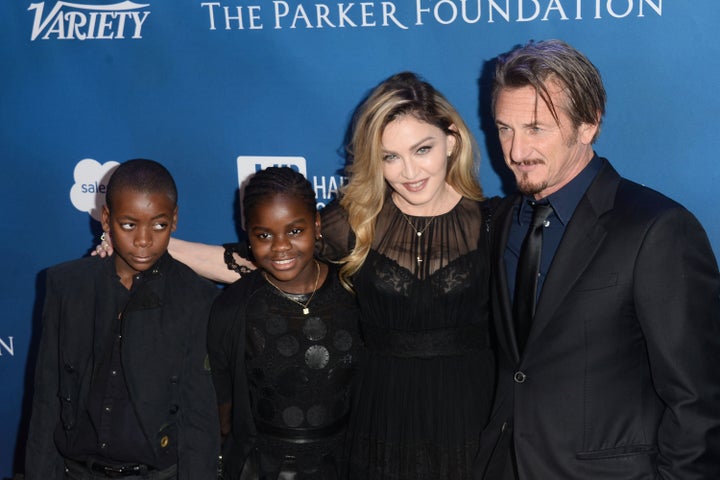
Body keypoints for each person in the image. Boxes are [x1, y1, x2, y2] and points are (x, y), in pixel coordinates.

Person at [91, 72, 496, 479]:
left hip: (467, 409)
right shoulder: (359, 221)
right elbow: (266, 260)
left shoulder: (496, 223)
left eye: (422, 149)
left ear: (452, 141)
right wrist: (153, 245)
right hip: (380, 413)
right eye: (391, 156)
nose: (409, 171)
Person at [473, 39, 720, 479]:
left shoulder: (657, 229)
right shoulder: (503, 219)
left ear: (587, 126)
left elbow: (697, 401)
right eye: (504, 128)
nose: (514, 151)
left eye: (536, 128)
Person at [26, 159, 220, 480]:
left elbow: (199, 419)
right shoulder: (67, 286)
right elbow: (47, 402)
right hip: (76, 472)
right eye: (129, 225)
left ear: (174, 220)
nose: (143, 240)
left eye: (158, 225)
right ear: (106, 219)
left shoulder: (197, 298)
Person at [207, 166, 362, 479]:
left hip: (347, 463)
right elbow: (222, 411)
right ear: (247, 233)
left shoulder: (353, 292)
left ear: (317, 225)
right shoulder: (233, 309)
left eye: (294, 231)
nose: (280, 247)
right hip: (261, 468)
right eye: (264, 235)